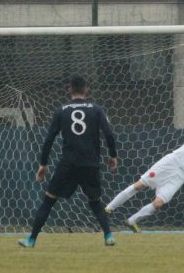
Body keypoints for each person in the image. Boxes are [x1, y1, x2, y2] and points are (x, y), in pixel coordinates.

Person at [18, 75, 118, 248]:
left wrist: (43, 164)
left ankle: (31, 240)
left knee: (48, 201)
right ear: (87, 89)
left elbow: (49, 139)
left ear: (69, 89)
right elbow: (108, 134)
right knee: (95, 202)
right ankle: (108, 236)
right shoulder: (96, 109)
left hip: (68, 164)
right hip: (90, 163)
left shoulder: (61, 111)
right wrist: (113, 156)